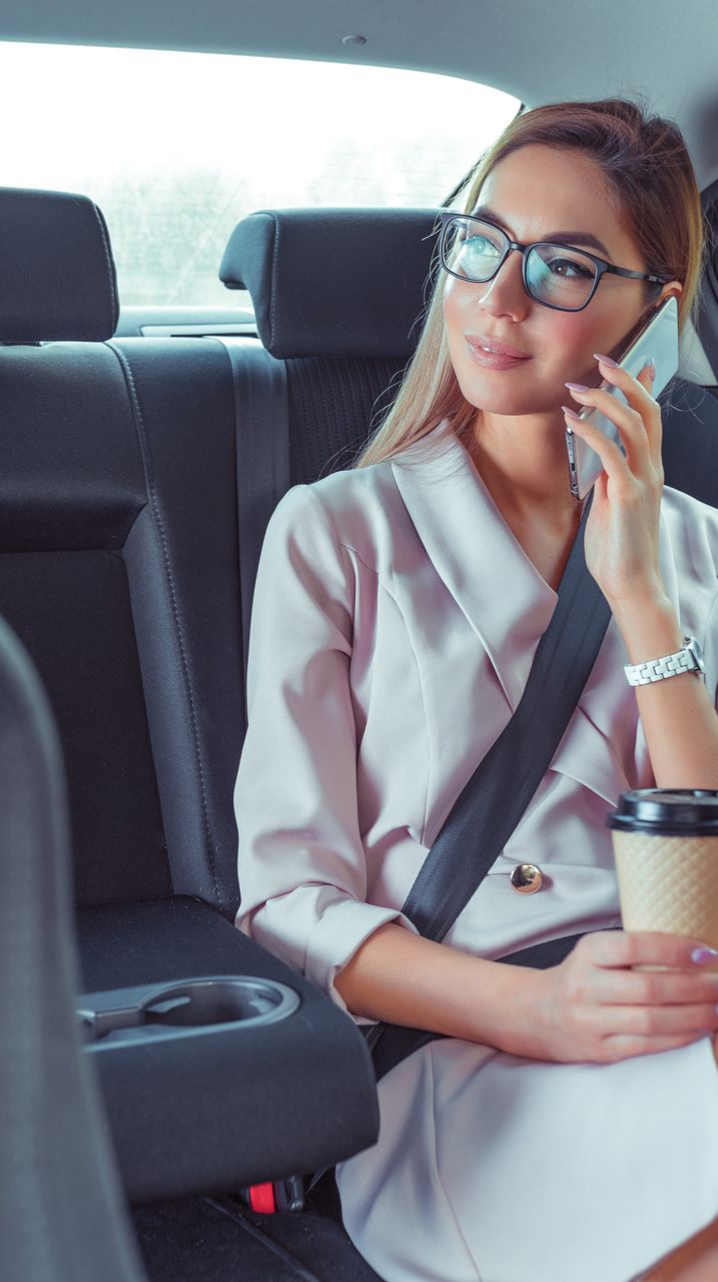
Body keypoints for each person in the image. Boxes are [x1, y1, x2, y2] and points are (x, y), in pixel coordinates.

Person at [233, 99, 718, 1282]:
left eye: (561, 268)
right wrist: (530, 1011)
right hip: (467, 1050)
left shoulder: (695, 548)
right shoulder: (335, 530)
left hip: (673, 1011)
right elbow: (288, 903)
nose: (498, 299)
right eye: (480, 242)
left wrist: (643, 600)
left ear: (653, 321)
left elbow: (699, 885)